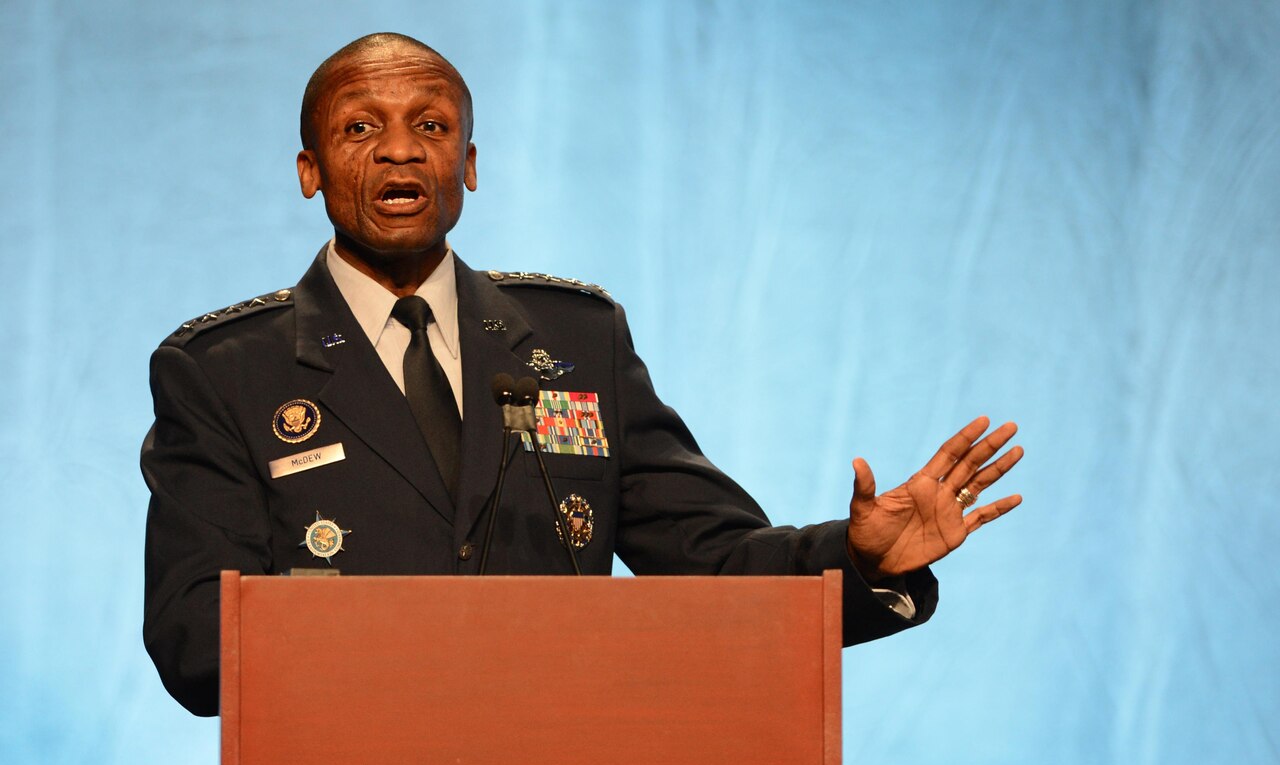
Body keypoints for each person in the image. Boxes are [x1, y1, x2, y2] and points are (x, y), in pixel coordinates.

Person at [141, 33, 1022, 717]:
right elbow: (193, 641)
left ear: (469, 167)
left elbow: (712, 564)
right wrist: (407, 647)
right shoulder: (225, 373)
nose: (401, 152)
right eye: (360, 128)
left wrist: (859, 563)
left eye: (433, 126)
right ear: (311, 172)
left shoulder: (575, 342)